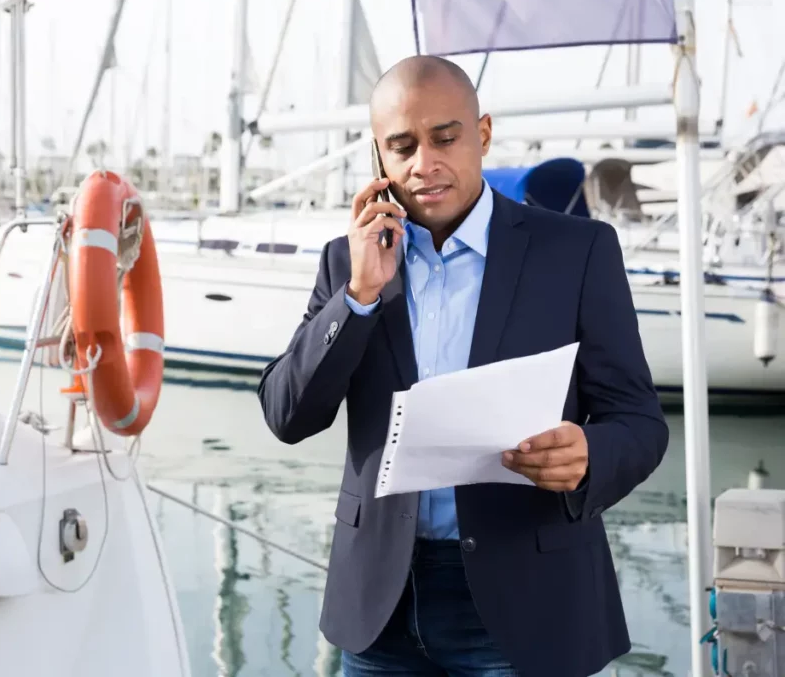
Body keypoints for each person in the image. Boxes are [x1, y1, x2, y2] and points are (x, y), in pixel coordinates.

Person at [257, 55, 669, 677]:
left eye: (444, 138)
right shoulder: (348, 263)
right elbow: (287, 415)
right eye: (401, 147)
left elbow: (639, 421)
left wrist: (589, 453)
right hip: (380, 609)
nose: (424, 163)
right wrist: (359, 298)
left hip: (528, 599)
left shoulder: (578, 251)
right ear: (378, 158)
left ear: (481, 133)